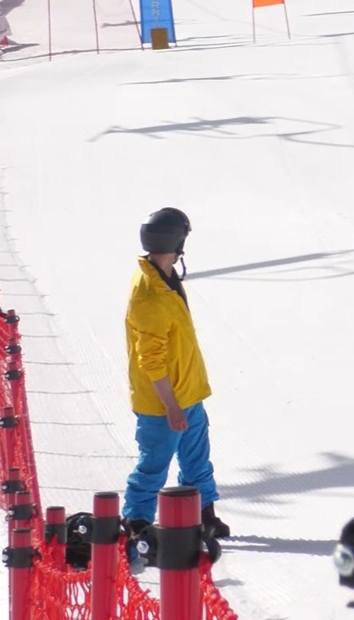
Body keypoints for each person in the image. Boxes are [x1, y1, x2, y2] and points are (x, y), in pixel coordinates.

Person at [124, 208, 227, 547]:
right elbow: (150, 360)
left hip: (187, 392)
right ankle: (137, 521)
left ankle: (203, 512)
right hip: (162, 403)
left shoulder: (166, 279)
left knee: (197, 460)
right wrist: (170, 405)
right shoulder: (150, 295)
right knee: (154, 464)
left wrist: (184, 398)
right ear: (176, 241)